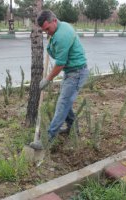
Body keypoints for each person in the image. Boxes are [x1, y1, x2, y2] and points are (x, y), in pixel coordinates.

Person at [37, 10, 89, 144]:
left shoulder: (61, 36)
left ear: (54, 21)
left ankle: (47, 139)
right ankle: (73, 128)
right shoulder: (60, 28)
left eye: (47, 29)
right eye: (44, 30)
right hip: (71, 71)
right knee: (65, 102)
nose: (47, 32)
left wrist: (47, 79)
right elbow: (55, 52)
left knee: (62, 104)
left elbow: (60, 64)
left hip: (76, 73)